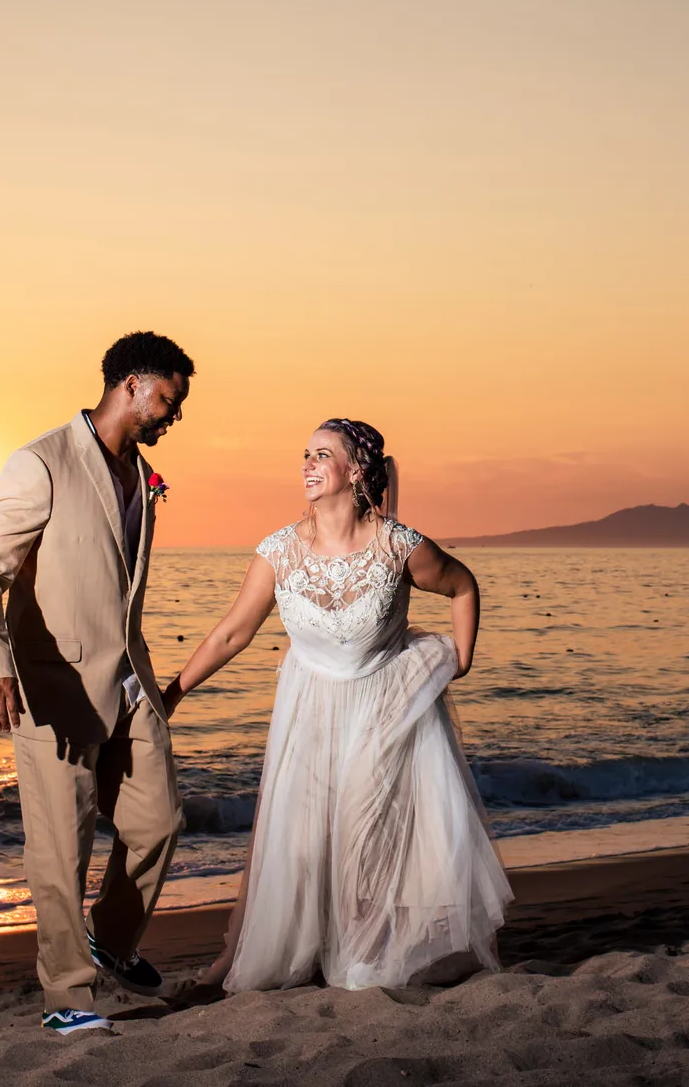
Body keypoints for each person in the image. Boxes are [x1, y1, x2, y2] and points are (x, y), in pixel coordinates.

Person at [163, 418, 512, 993]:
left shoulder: (398, 545)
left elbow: (463, 586)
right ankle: (303, 950)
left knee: (365, 835)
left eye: (321, 454)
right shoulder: (279, 551)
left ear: (355, 470)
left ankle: (366, 951)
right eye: (304, 453)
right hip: (309, 712)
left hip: (384, 708)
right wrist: (175, 690)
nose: (306, 463)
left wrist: (461, 659)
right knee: (302, 842)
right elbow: (231, 634)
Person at [0, 331, 194, 1035]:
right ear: (129, 385)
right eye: (166, 399)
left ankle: (112, 943)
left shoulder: (140, 476)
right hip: (53, 690)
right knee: (61, 850)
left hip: (129, 687)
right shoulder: (42, 464)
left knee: (160, 822)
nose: (172, 414)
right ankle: (68, 995)